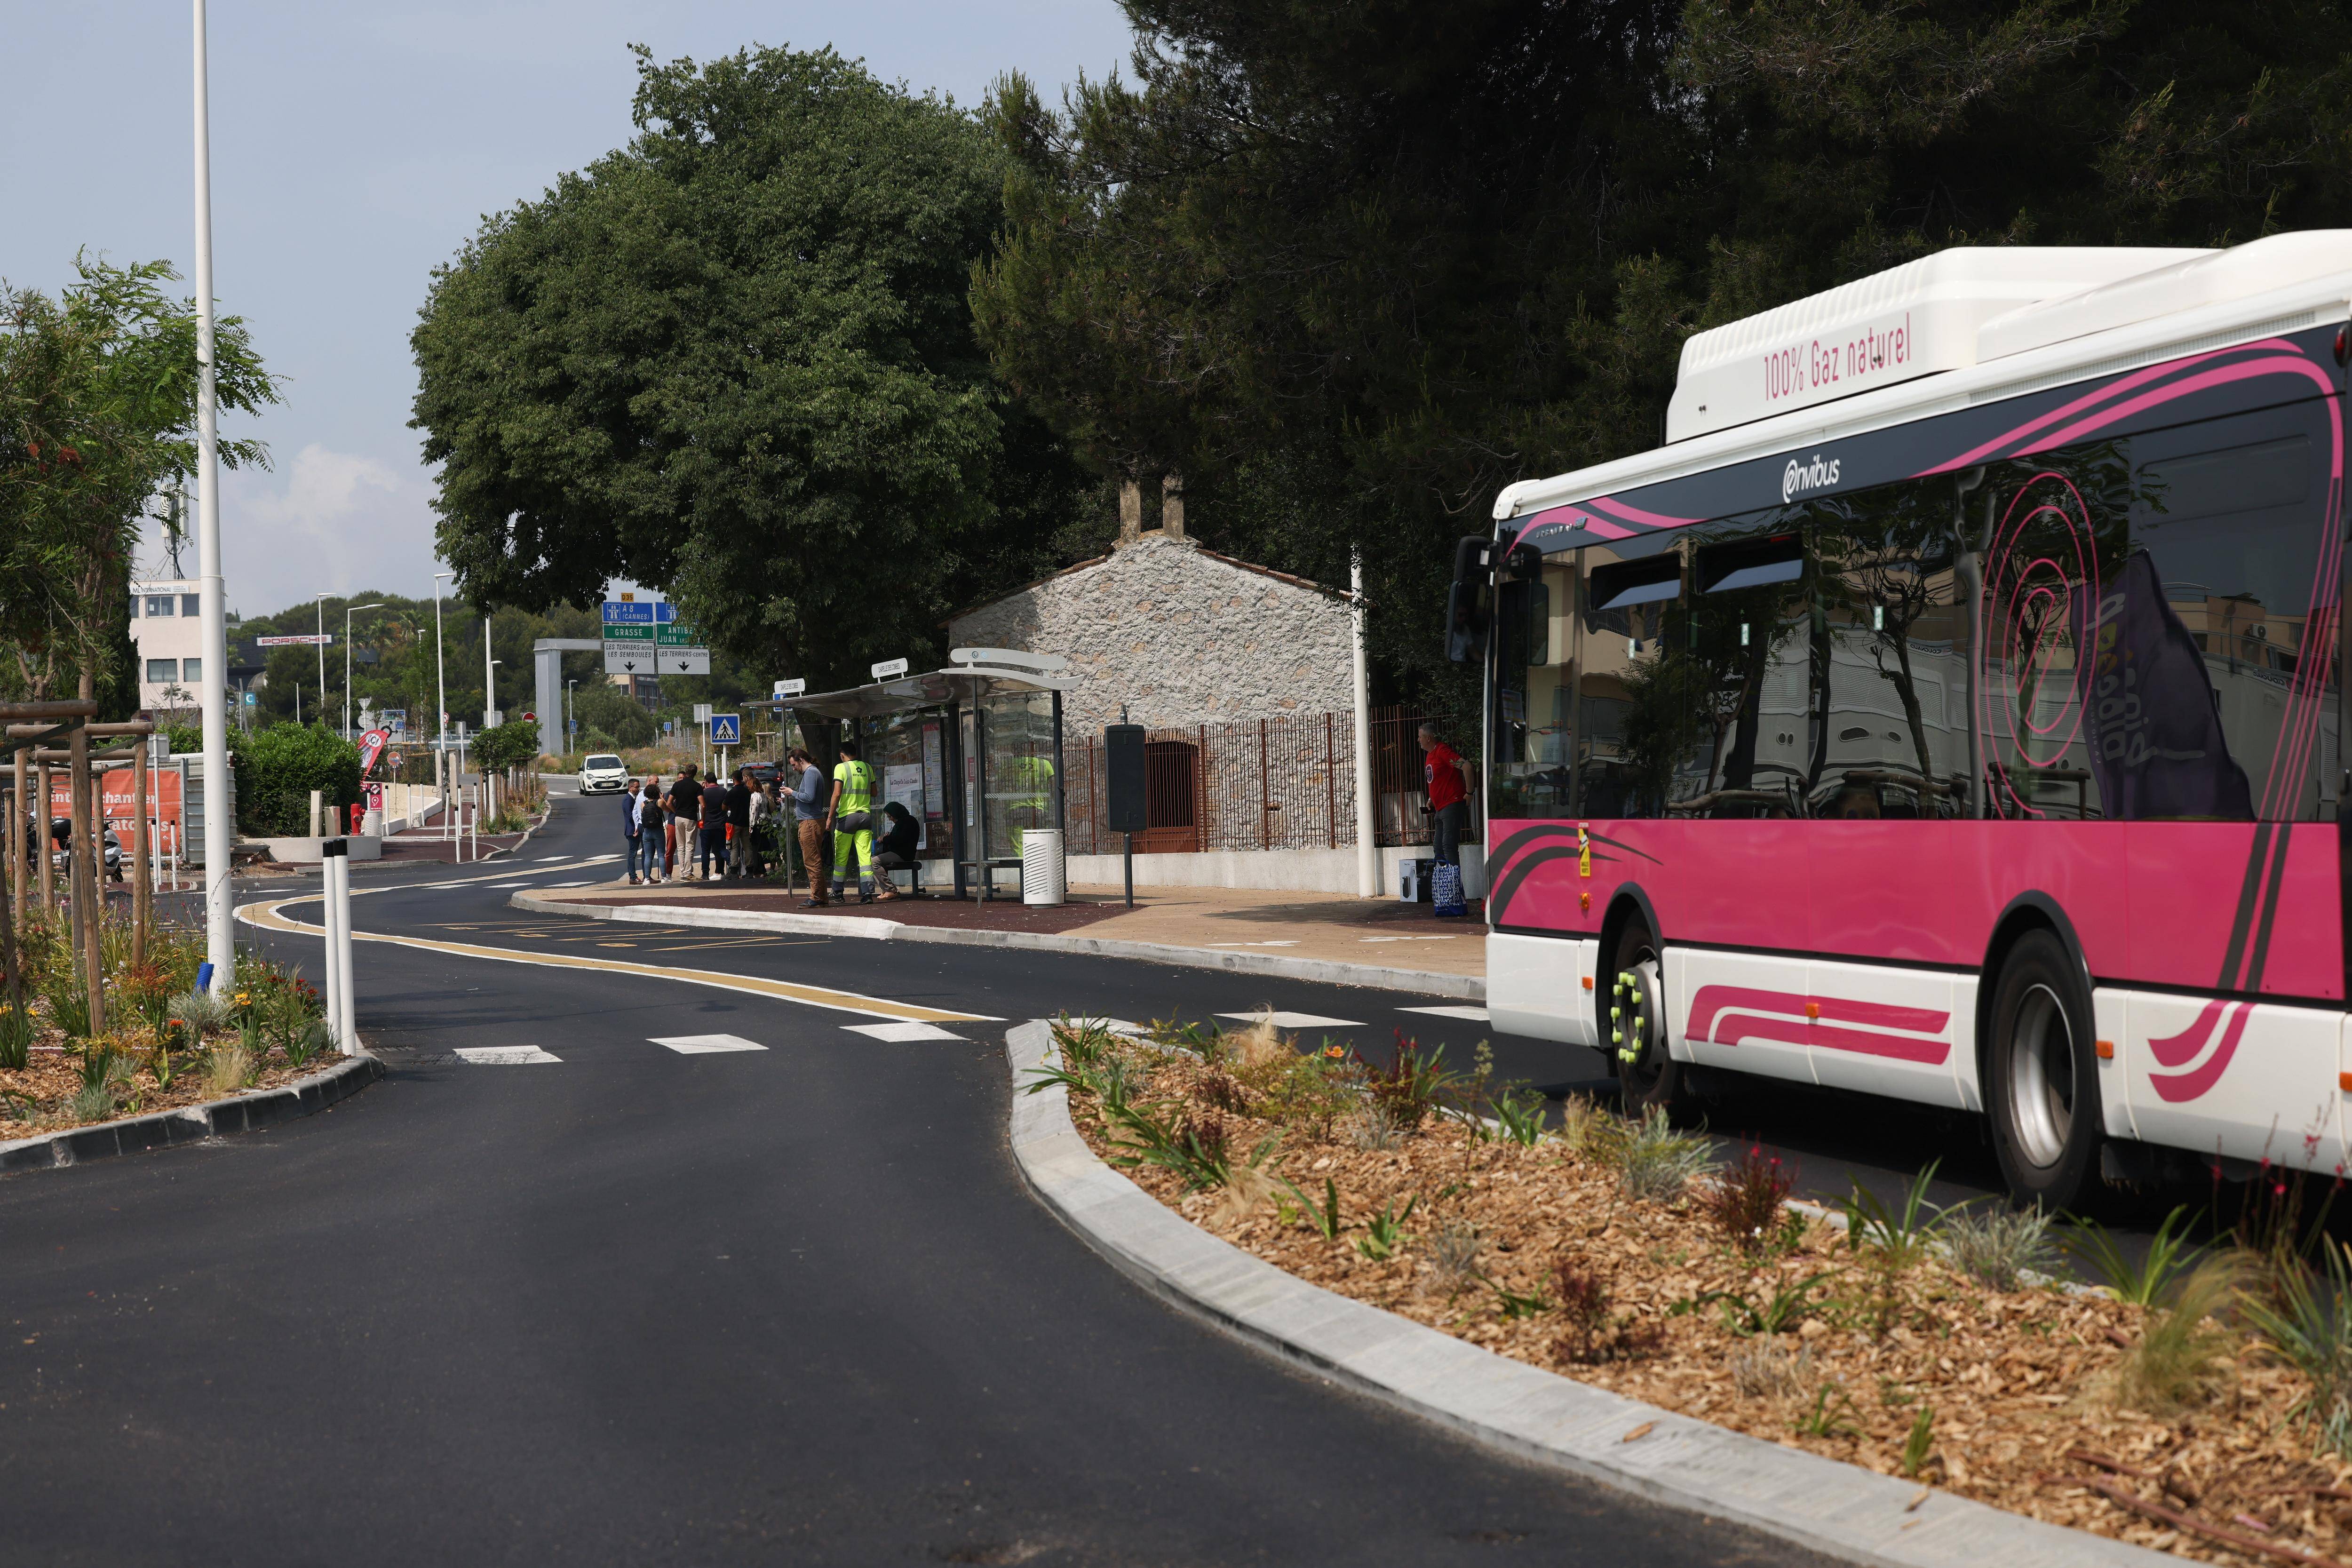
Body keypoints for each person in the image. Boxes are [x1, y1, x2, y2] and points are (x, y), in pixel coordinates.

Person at [1420, 722, 1472, 917]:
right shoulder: (1430, 756)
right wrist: (1432, 799)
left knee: (1449, 847)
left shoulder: (1442, 750)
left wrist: (1470, 793)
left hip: (1452, 804)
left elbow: (1467, 766)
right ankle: (1447, 893)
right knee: (1439, 848)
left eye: (1420, 736)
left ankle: (1456, 894)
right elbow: (1438, 780)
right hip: (1441, 808)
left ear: (1429, 738)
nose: (1418, 740)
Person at [827, 739, 878, 903]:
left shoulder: (841, 768)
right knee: (865, 858)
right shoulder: (867, 768)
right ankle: (868, 894)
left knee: (841, 858)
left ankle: (837, 893)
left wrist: (829, 817)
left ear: (842, 755)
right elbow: (875, 792)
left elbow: (836, 794)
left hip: (847, 818)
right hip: (865, 817)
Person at [789, 748, 829, 906]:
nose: (793, 768)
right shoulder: (813, 773)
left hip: (810, 822)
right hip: (810, 821)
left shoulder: (811, 773)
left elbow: (810, 797)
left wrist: (793, 793)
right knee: (813, 860)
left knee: (812, 861)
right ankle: (821, 896)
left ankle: (817, 897)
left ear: (801, 760)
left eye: (794, 765)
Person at [871, 800, 920, 901]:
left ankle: (891, 889)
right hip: (898, 852)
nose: (890, 819)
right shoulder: (902, 822)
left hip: (903, 854)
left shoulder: (908, 822)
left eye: (890, 816)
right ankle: (886, 889)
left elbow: (899, 840)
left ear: (896, 813)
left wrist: (885, 839)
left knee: (874, 862)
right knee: (872, 861)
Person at [667, 767, 701, 880]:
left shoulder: (677, 785)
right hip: (690, 817)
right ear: (695, 774)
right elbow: (703, 804)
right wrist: (703, 817)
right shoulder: (697, 786)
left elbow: (669, 803)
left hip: (678, 818)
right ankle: (687, 872)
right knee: (690, 845)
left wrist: (676, 811)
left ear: (686, 773)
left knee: (681, 847)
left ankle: (682, 872)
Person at [636, 778, 667, 884]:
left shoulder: (643, 804)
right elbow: (667, 809)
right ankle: (664, 877)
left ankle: (647, 878)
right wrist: (662, 798)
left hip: (647, 831)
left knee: (648, 856)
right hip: (658, 830)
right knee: (661, 854)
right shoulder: (659, 802)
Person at [725, 767, 755, 879]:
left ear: (733, 779)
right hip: (746, 822)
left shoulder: (731, 793)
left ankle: (734, 871)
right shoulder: (748, 792)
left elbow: (724, 807)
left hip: (734, 822)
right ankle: (750, 870)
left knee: (734, 847)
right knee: (748, 847)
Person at [700, 772, 730, 881]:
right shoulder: (723, 791)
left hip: (707, 824)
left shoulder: (704, 793)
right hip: (721, 824)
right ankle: (732, 864)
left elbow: (702, 807)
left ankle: (705, 874)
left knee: (705, 851)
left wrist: (703, 819)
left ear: (706, 782)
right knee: (721, 847)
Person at [622, 778, 646, 885]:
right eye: (636, 787)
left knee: (636, 853)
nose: (638, 789)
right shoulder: (628, 800)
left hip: (635, 829)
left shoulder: (634, 799)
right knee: (633, 854)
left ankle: (644, 875)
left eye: (639, 787)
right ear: (630, 788)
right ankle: (633, 876)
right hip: (632, 830)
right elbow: (631, 816)